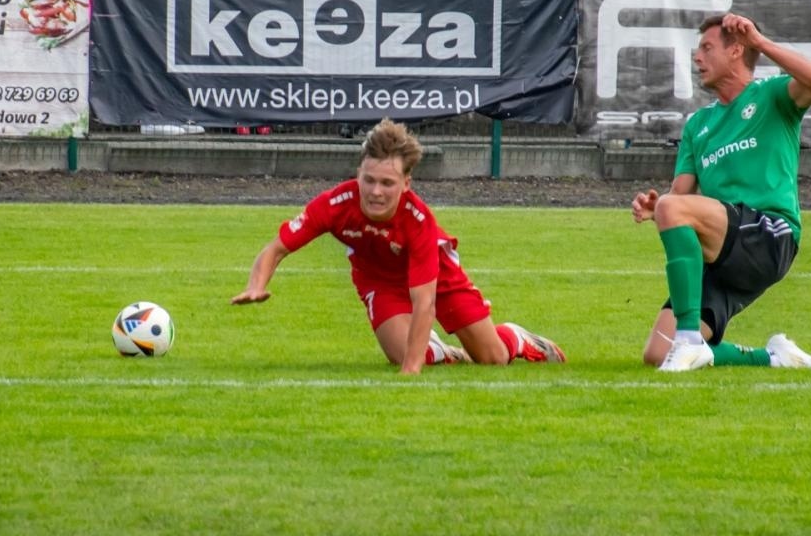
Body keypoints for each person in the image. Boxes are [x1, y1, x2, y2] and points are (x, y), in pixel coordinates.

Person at [231, 118, 565, 373]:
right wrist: (255, 286)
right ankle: (436, 349)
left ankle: (515, 337)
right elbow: (276, 249)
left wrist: (411, 372)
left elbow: (424, 303)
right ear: (358, 173)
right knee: (405, 351)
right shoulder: (335, 204)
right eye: (369, 180)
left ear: (406, 183)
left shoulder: (419, 221)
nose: (376, 191)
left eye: (387, 183)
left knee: (492, 359)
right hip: (379, 279)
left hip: (438, 277)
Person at [630, 13, 811, 372]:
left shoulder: (771, 96)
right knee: (657, 355)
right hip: (723, 252)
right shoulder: (698, 125)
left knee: (681, 341)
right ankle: (774, 357)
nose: (697, 57)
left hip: (771, 235)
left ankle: (691, 339)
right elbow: (679, 195)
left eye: (707, 48)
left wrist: (763, 44)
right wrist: (655, 206)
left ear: (737, 50)